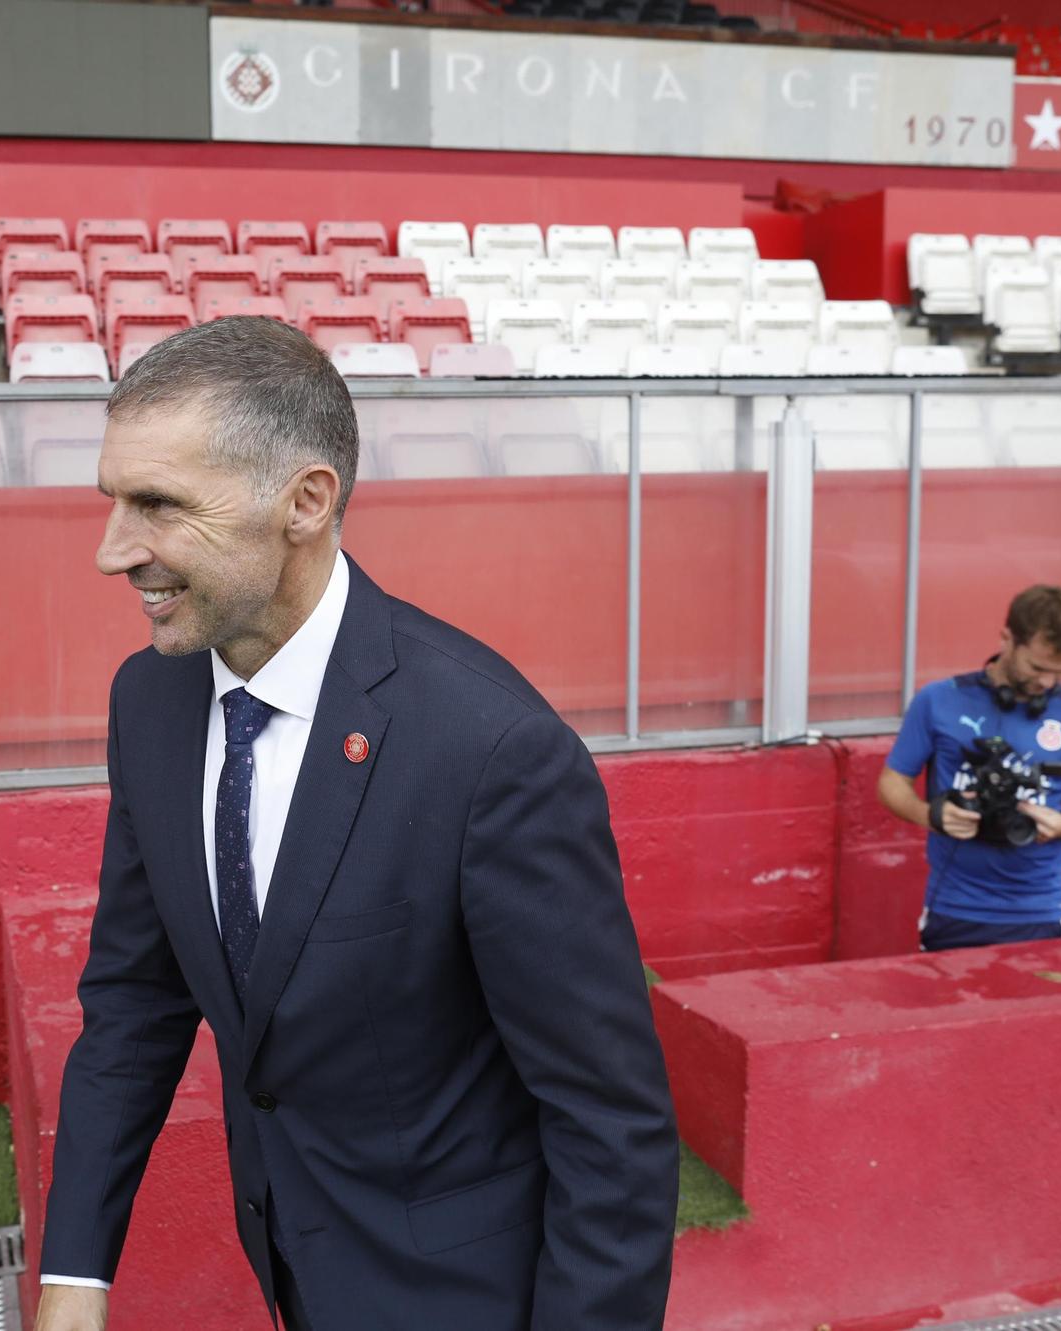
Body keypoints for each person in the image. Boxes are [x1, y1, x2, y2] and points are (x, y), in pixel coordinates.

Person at [34, 319, 679, 1331]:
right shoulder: (147, 702)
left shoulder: (490, 749)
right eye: (112, 499)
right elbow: (134, 1002)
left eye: (155, 503)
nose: (113, 548)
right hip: (291, 1271)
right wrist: (76, 1268)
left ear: (304, 501)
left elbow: (609, 1124)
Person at [876, 585, 1061, 952]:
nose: (1047, 683)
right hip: (954, 906)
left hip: (1041, 909)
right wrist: (932, 815)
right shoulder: (939, 700)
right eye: (1037, 668)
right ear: (1007, 639)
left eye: (1060, 672)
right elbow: (892, 782)